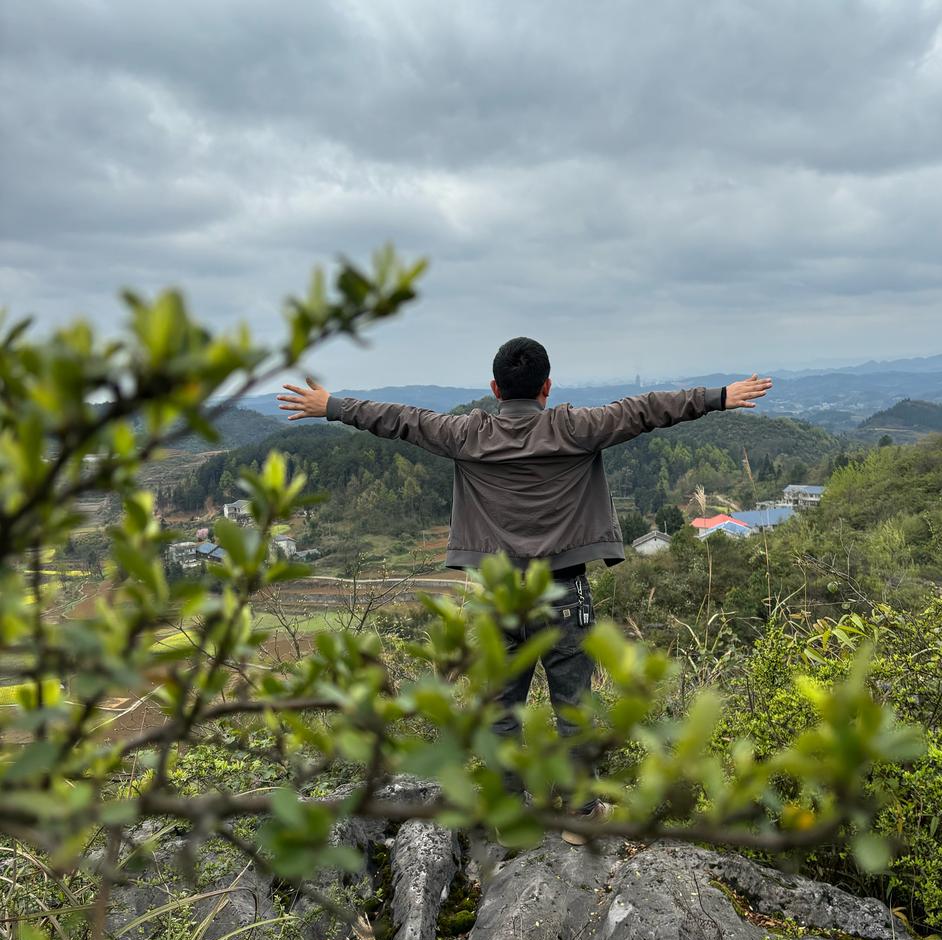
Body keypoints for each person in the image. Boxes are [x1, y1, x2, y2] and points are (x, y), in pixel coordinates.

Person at [278, 339, 772, 842]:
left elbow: (401, 419)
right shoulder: (574, 428)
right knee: (574, 706)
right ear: (547, 388)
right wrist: (718, 396)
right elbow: (646, 411)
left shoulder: (466, 433)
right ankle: (579, 815)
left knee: (500, 708)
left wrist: (331, 407)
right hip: (565, 591)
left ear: (494, 389)